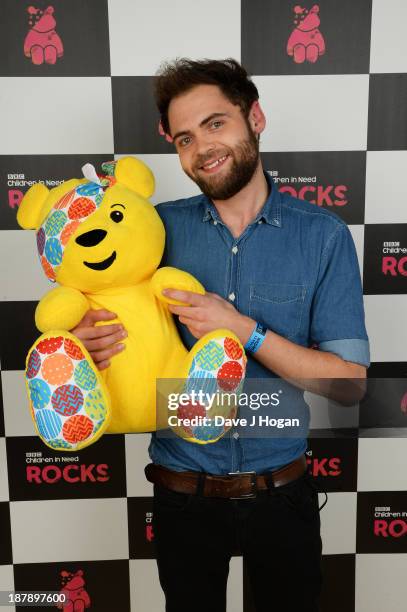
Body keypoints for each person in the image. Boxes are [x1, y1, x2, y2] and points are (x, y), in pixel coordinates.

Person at [71, 59, 369, 612]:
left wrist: (243, 330)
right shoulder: (150, 231)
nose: (203, 148)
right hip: (183, 498)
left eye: (215, 124)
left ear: (254, 116)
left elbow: (349, 386)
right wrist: (89, 342)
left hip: (283, 498)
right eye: (185, 137)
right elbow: (102, 319)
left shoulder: (323, 237)